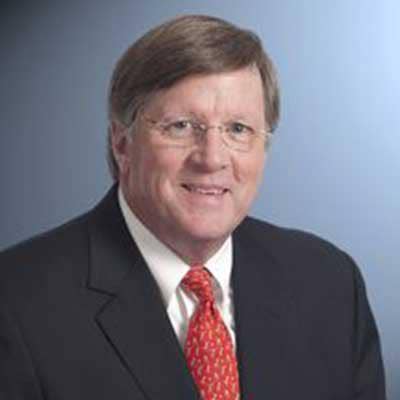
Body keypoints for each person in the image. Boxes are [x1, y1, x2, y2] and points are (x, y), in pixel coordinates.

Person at [0, 14, 385, 400]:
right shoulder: (16, 303)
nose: (212, 158)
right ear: (122, 143)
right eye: (181, 126)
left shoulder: (330, 284)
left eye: (238, 129)